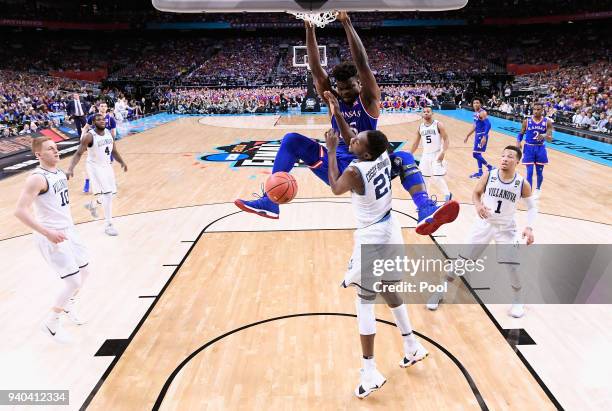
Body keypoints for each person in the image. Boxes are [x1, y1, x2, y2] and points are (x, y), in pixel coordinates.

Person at [235, 11, 459, 235]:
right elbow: (315, 69)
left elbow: (362, 62)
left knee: (406, 158)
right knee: (291, 140)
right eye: (341, 88)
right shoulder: (334, 97)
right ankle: (270, 202)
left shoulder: (369, 99)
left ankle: (425, 208)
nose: (344, 92)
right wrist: (309, 27)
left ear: (359, 84)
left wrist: (346, 22)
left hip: (368, 162)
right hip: (338, 163)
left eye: (349, 87)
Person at [325, 127, 428, 399]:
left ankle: (369, 372)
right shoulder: (382, 157)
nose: (353, 138)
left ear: (365, 152)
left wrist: (331, 150)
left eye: (357, 140)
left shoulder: (355, 172)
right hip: (390, 226)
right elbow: (358, 141)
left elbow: (335, 187)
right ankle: (411, 345)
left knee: (364, 300)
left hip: (371, 236)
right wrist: (335, 111)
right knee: (388, 287)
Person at [426, 146, 537, 318]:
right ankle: (439, 293)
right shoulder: (489, 175)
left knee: (512, 267)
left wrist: (529, 227)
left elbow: (532, 208)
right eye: (503, 155)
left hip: (506, 229)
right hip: (483, 225)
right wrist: (478, 205)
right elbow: (476, 194)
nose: (505, 159)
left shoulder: (522, 183)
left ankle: (517, 301)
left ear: (517, 161)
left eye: (510, 156)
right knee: (461, 261)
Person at [14, 136, 90, 343]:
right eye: (50, 149)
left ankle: (68, 305)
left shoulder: (58, 173)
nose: (56, 151)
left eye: (56, 148)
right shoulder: (37, 178)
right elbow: (20, 211)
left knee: (85, 271)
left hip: (68, 230)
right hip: (50, 236)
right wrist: (47, 232)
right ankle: (51, 323)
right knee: (73, 280)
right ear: (38, 154)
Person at [66, 113, 128, 236]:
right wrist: (70, 168)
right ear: (93, 123)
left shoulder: (109, 133)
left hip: (106, 165)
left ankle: (92, 205)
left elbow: (114, 151)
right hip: (94, 167)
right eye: (98, 119)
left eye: (103, 119)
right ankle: (108, 225)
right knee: (108, 194)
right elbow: (78, 153)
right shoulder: (89, 136)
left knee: (110, 194)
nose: (102, 121)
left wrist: (122, 162)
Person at [409, 106, 451, 201]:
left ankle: (448, 195)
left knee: (437, 177)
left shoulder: (438, 124)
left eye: (428, 111)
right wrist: (410, 153)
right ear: (422, 114)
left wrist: (443, 152)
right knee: (424, 178)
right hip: (425, 155)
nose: (426, 113)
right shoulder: (420, 127)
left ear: (432, 113)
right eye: (424, 111)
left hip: (437, 154)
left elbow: (446, 139)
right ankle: (426, 200)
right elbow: (416, 142)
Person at [516, 102, 553, 200]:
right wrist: (518, 142)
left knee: (539, 172)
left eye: (538, 109)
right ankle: (528, 193)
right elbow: (521, 133)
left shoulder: (547, 122)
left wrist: (544, 135)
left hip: (540, 148)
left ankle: (538, 189)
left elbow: (550, 138)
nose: (536, 111)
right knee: (529, 172)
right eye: (534, 109)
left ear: (542, 110)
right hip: (529, 148)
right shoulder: (526, 121)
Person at [464, 97, 493, 179]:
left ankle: (490, 167)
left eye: (477, 102)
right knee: (478, 153)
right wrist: (467, 135)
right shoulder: (475, 113)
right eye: (474, 103)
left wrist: (484, 136)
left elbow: (488, 124)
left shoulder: (482, 112)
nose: (475, 104)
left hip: (482, 135)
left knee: (475, 154)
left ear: (480, 104)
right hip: (478, 135)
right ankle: (480, 172)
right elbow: (475, 126)